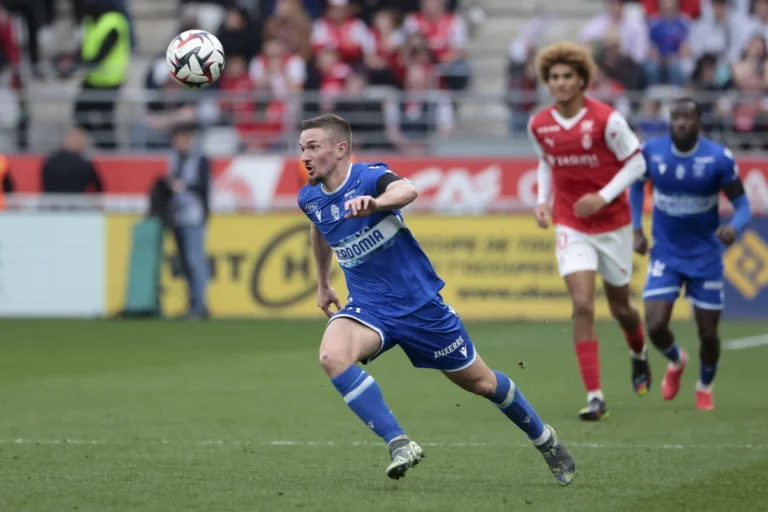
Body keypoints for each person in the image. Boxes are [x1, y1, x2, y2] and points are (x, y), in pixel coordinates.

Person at [297, 113, 575, 484]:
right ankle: (399, 443)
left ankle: (544, 438)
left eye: (313, 147)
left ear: (340, 148)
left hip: (420, 308)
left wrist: (377, 204)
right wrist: (322, 282)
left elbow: (407, 191)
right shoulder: (309, 197)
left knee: (483, 384)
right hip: (369, 306)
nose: (305, 156)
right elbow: (320, 228)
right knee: (332, 355)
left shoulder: (369, 177)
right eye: (302, 148)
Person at [527, 41, 651, 422]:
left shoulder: (606, 120)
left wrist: (603, 195)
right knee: (582, 303)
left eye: (568, 76)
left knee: (622, 309)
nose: (561, 83)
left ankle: (638, 353)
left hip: (612, 224)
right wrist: (543, 199)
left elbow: (637, 163)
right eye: (554, 77)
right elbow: (546, 162)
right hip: (571, 223)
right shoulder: (540, 124)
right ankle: (595, 395)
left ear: (582, 80)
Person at [630, 98, 752, 411]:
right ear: (670, 121)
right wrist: (636, 229)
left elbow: (743, 206)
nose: (682, 123)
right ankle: (676, 359)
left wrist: (734, 228)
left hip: (705, 257)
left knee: (708, 333)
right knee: (655, 325)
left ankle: (705, 385)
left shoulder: (718, 159)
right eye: (676, 117)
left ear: (699, 121)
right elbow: (635, 186)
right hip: (666, 253)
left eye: (688, 118)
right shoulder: (652, 152)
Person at [167, 122, 211, 319]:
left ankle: (200, 304)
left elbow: (204, 187)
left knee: (195, 260)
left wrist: (183, 186)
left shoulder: (200, 159)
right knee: (185, 263)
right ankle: (192, 302)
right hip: (177, 216)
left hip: (193, 216)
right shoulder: (174, 159)